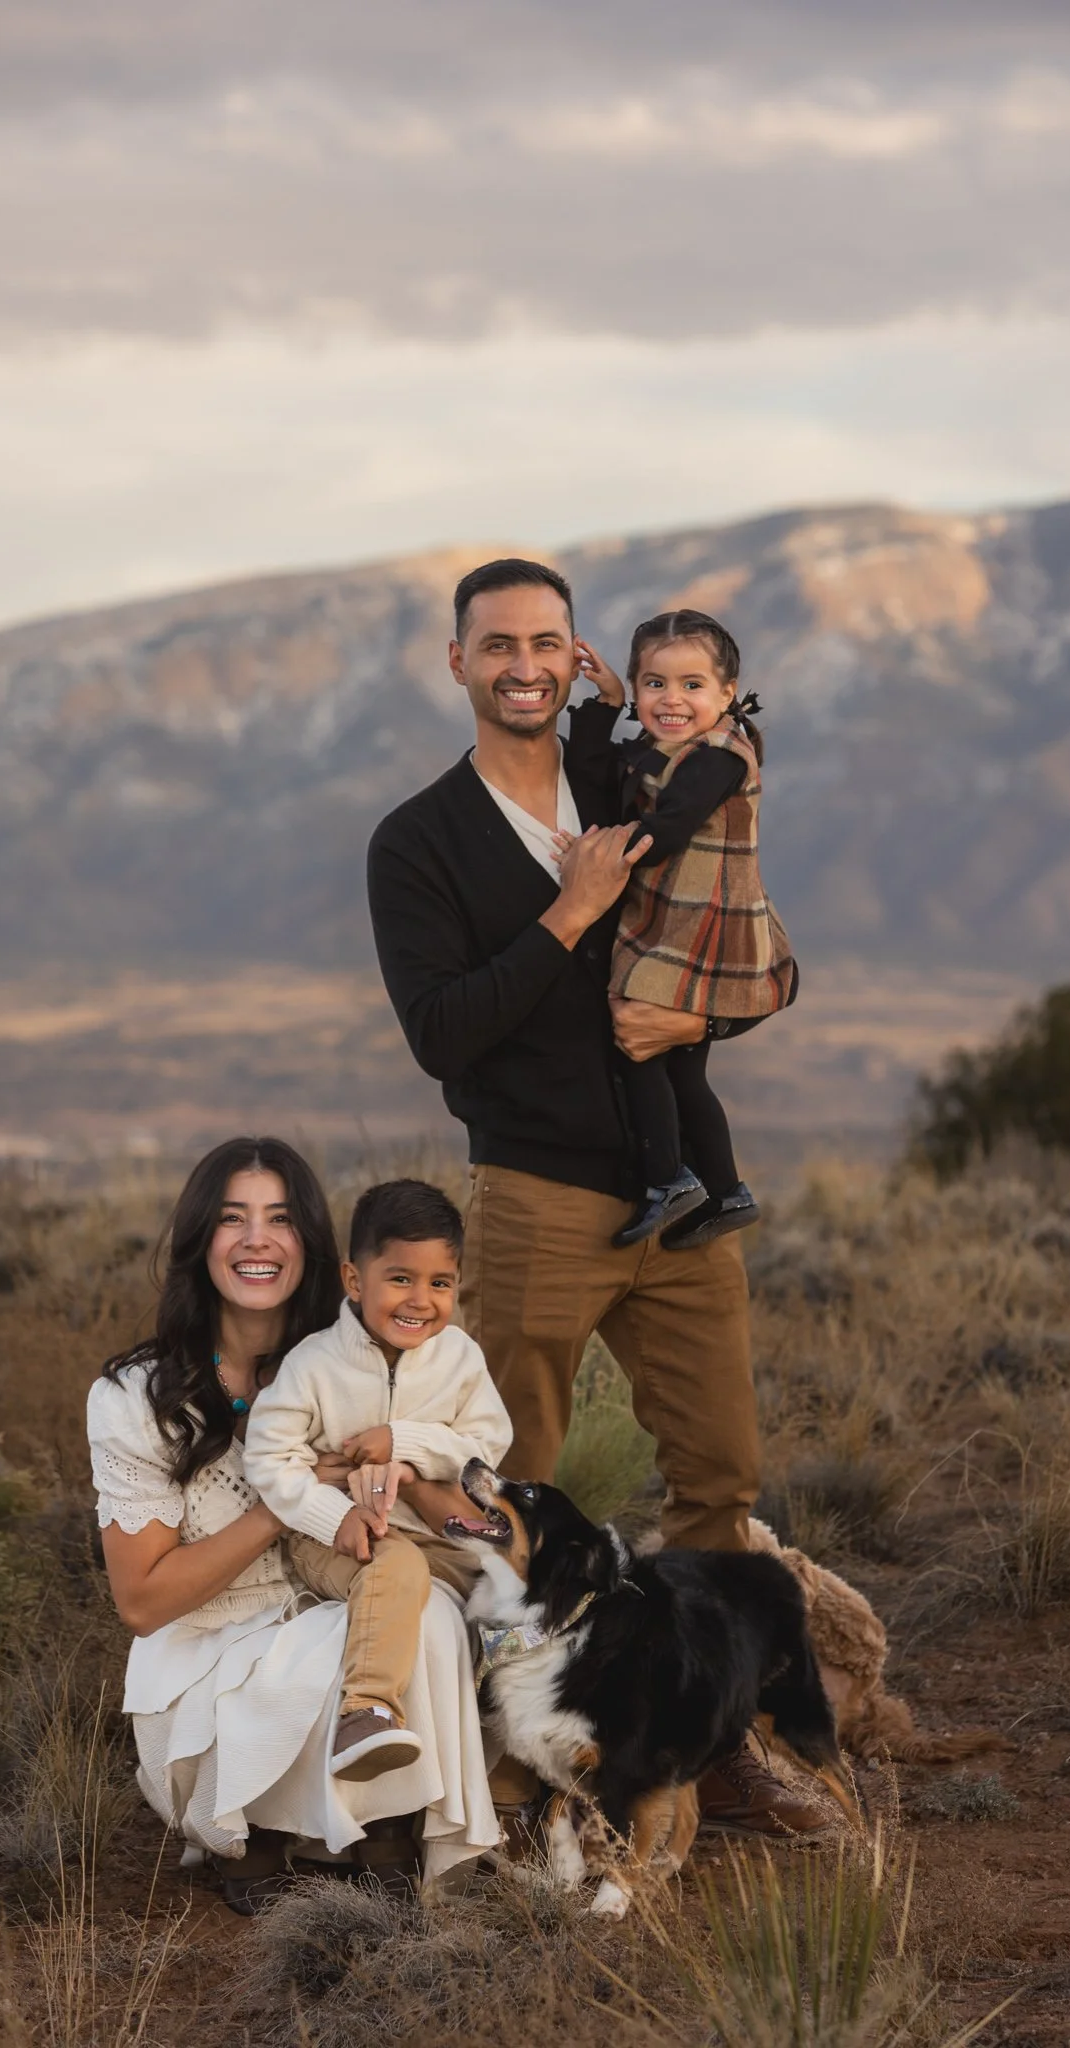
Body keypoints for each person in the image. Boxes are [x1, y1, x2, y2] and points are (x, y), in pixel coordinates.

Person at [367, 558, 824, 1837]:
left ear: (578, 661)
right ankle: (501, 1762)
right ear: (457, 660)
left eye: (547, 642)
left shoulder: (643, 776)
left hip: (679, 1207)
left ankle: (714, 1738)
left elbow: (771, 959)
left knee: (719, 1479)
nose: (523, 661)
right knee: (503, 1482)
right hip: (539, 1198)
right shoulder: (420, 841)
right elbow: (444, 1033)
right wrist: (570, 913)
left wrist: (706, 1005)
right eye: (496, 641)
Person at [87, 1137, 497, 1912]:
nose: (255, 1239)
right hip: (211, 1641)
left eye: (279, 1218)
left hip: (339, 1598)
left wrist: (409, 1467)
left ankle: (385, 1820)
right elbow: (142, 1604)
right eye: (231, 1218)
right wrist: (294, 1497)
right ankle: (253, 1835)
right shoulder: (134, 1396)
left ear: (312, 1245)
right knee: (306, 1658)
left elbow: (466, 1502)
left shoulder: (361, 1362)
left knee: (426, 1608)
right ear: (198, 1239)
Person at [243, 1178, 511, 1783]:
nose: (421, 1300)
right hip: (337, 1542)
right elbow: (267, 1458)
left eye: (440, 1283)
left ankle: (502, 1709)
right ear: (355, 1280)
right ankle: (366, 1711)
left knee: (515, 1579)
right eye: (400, 1279)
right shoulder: (313, 1364)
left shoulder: (461, 1358)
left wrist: (405, 1443)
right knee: (397, 1569)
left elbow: (485, 1449)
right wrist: (331, 1517)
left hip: (438, 1533)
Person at [562, 609, 796, 1249]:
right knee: (684, 1072)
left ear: (727, 694)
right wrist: (604, 704)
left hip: (701, 928)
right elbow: (590, 775)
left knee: (637, 1044)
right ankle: (725, 1191)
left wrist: (602, 853)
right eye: (654, 684)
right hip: (674, 922)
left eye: (693, 685)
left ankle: (668, 1179)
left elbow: (669, 828)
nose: (673, 700)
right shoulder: (654, 752)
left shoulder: (719, 757)